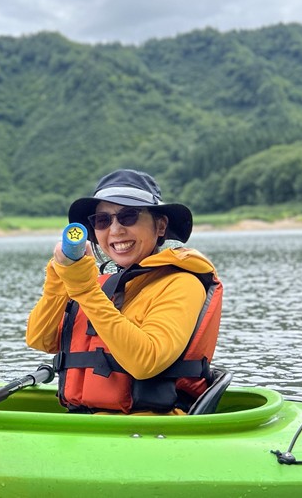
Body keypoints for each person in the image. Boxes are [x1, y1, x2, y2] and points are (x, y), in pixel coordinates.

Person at [25, 169, 222, 415]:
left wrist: (84, 289)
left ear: (160, 226)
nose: (115, 230)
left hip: (148, 428)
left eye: (128, 216)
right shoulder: (100, 285)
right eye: (103, 221)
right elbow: (40, 339)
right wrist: (59, 277)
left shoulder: (182, 283)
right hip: (84, 422)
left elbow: (145, 362)